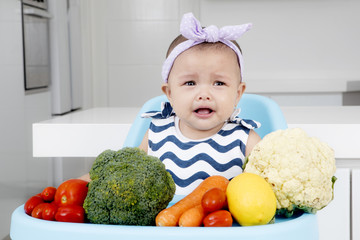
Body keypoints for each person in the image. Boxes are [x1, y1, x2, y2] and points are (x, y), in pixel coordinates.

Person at [137, 13, 261, 195]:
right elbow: (127, 176)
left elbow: (270, 187)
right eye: (190, 83)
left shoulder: (245, 141)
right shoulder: (156, 135)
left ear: (237, 93)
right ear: (170, 93)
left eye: (218, 83)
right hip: (165, 222)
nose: (204, 95)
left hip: (223, 223)